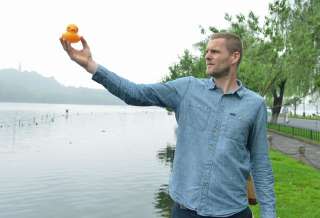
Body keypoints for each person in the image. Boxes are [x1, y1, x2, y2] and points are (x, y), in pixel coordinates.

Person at [60, 32, 276, 218]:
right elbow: (135, 93)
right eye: (206, 51)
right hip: (186, 211)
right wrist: (90, 65)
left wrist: (268, 214)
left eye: (215, 52)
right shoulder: (187, 89)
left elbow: (260, 164)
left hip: (233, 212)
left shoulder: (254, 105)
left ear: (234, 57)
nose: (207, 55)